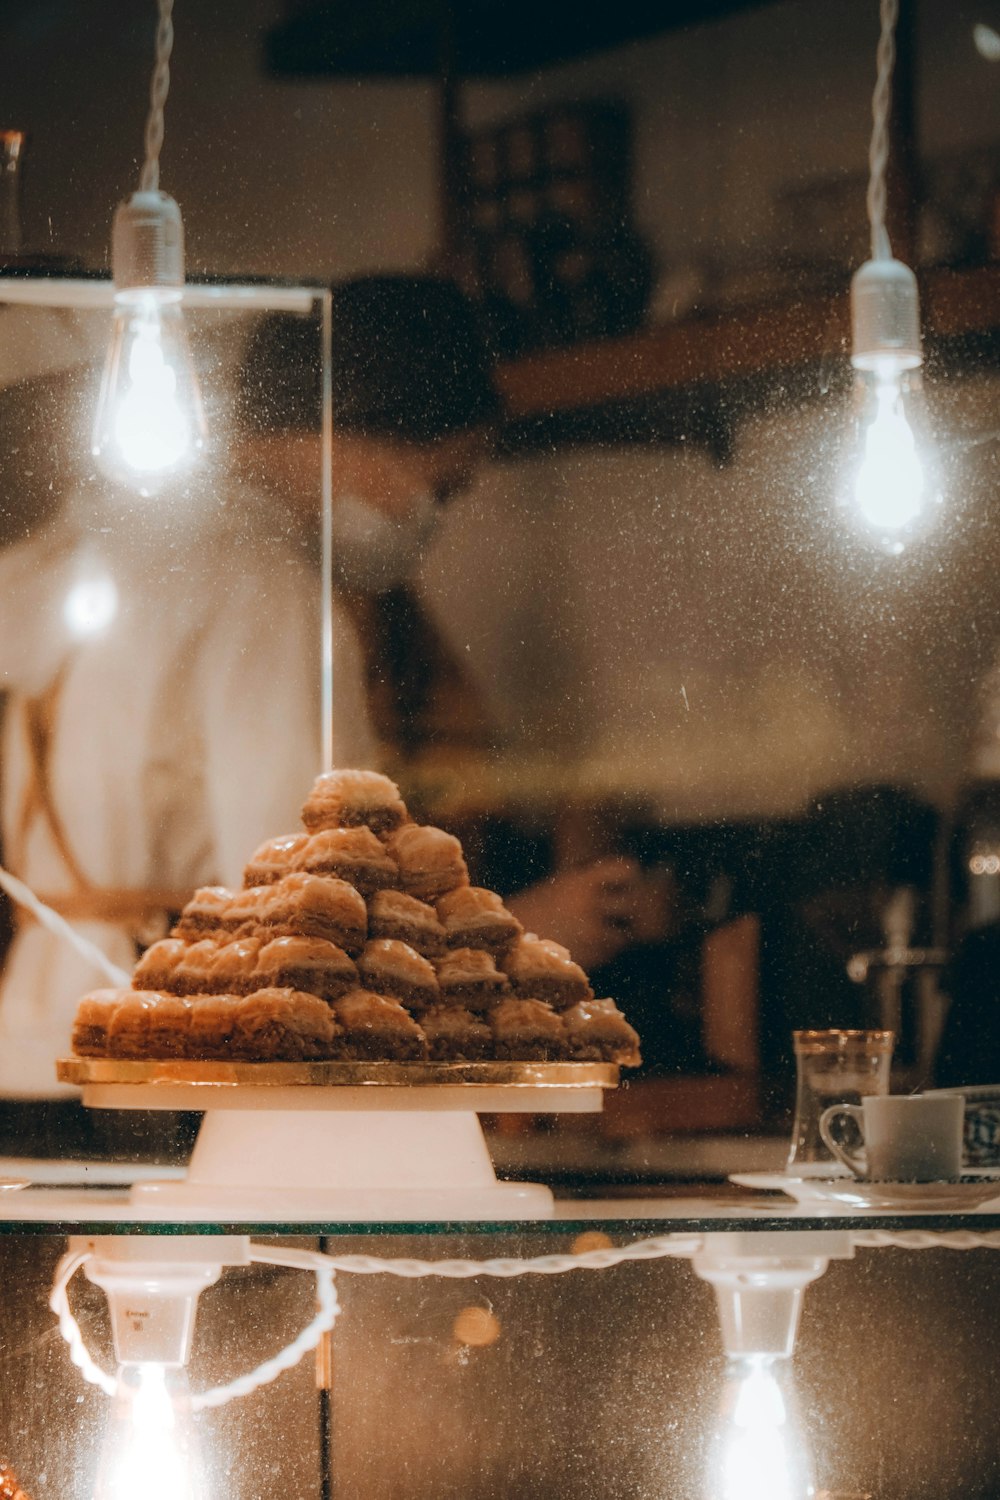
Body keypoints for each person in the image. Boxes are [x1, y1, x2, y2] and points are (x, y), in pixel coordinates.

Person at [0, 275, 499, 1158]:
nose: (430, 520)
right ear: (358, 434)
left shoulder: (80, 554)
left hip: (34, 1046)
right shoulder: (267, 594)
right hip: (182, 1066)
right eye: (442, 485)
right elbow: (304, 901)